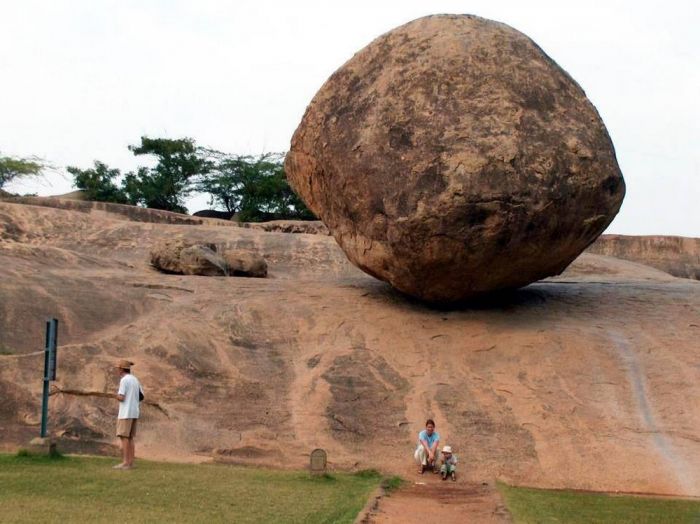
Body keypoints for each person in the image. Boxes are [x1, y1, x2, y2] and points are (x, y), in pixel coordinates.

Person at [113, 359, 143, 470]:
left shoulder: (124, 380)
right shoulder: (135, 380)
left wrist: (115, 396)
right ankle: (131, 462)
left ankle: (125, 462)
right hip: (134, 411)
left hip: (125, 412)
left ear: (121, 369)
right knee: (130, 437)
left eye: (118, 368)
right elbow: (141, 396)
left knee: (124, 437)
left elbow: (121, 397)